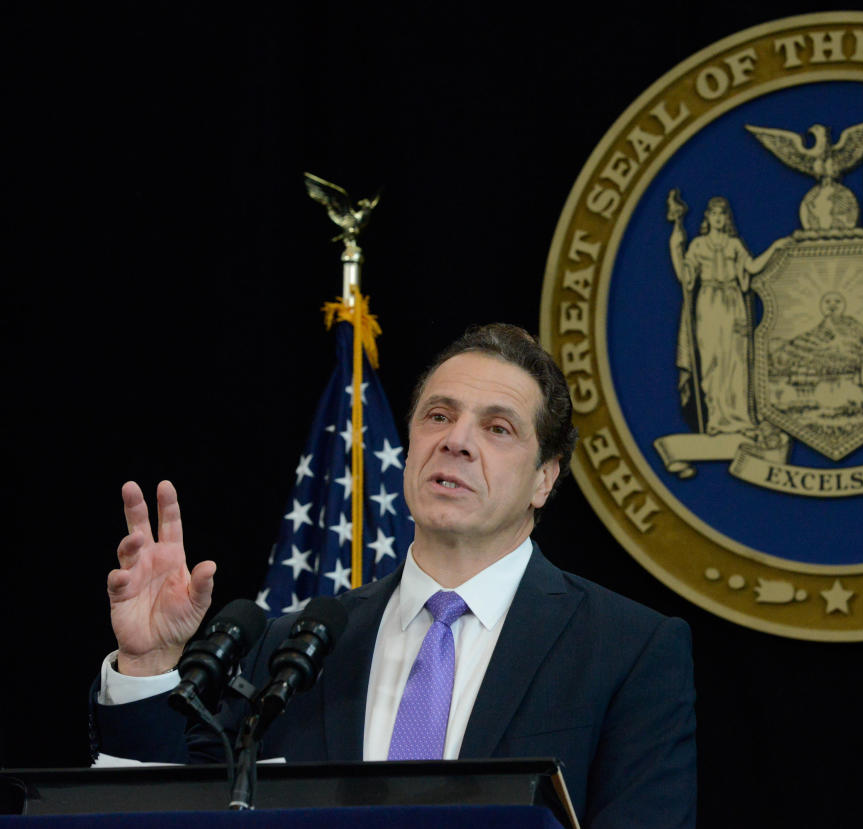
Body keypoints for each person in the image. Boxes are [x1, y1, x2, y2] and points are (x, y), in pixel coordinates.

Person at [91, 323, 697, 828]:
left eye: (497, 428)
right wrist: (147, 665)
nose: (456, 441)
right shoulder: (290, 649)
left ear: (545, 477)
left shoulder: (628, 651)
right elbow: (163, 810)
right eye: (438, 415)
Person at [668, 196, 787, 435]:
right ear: (707, 218)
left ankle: (740, 419)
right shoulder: (699, 245)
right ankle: (715, 419)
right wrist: (674, 245)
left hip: (733, 305)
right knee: (712, 361)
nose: (718, 218)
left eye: (722, 214)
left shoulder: (734, 245)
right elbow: (685, 277)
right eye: (714, 214)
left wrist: (775, 248)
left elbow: (752, 268)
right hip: (709, 305)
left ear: (727, 218)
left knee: (736, 361)